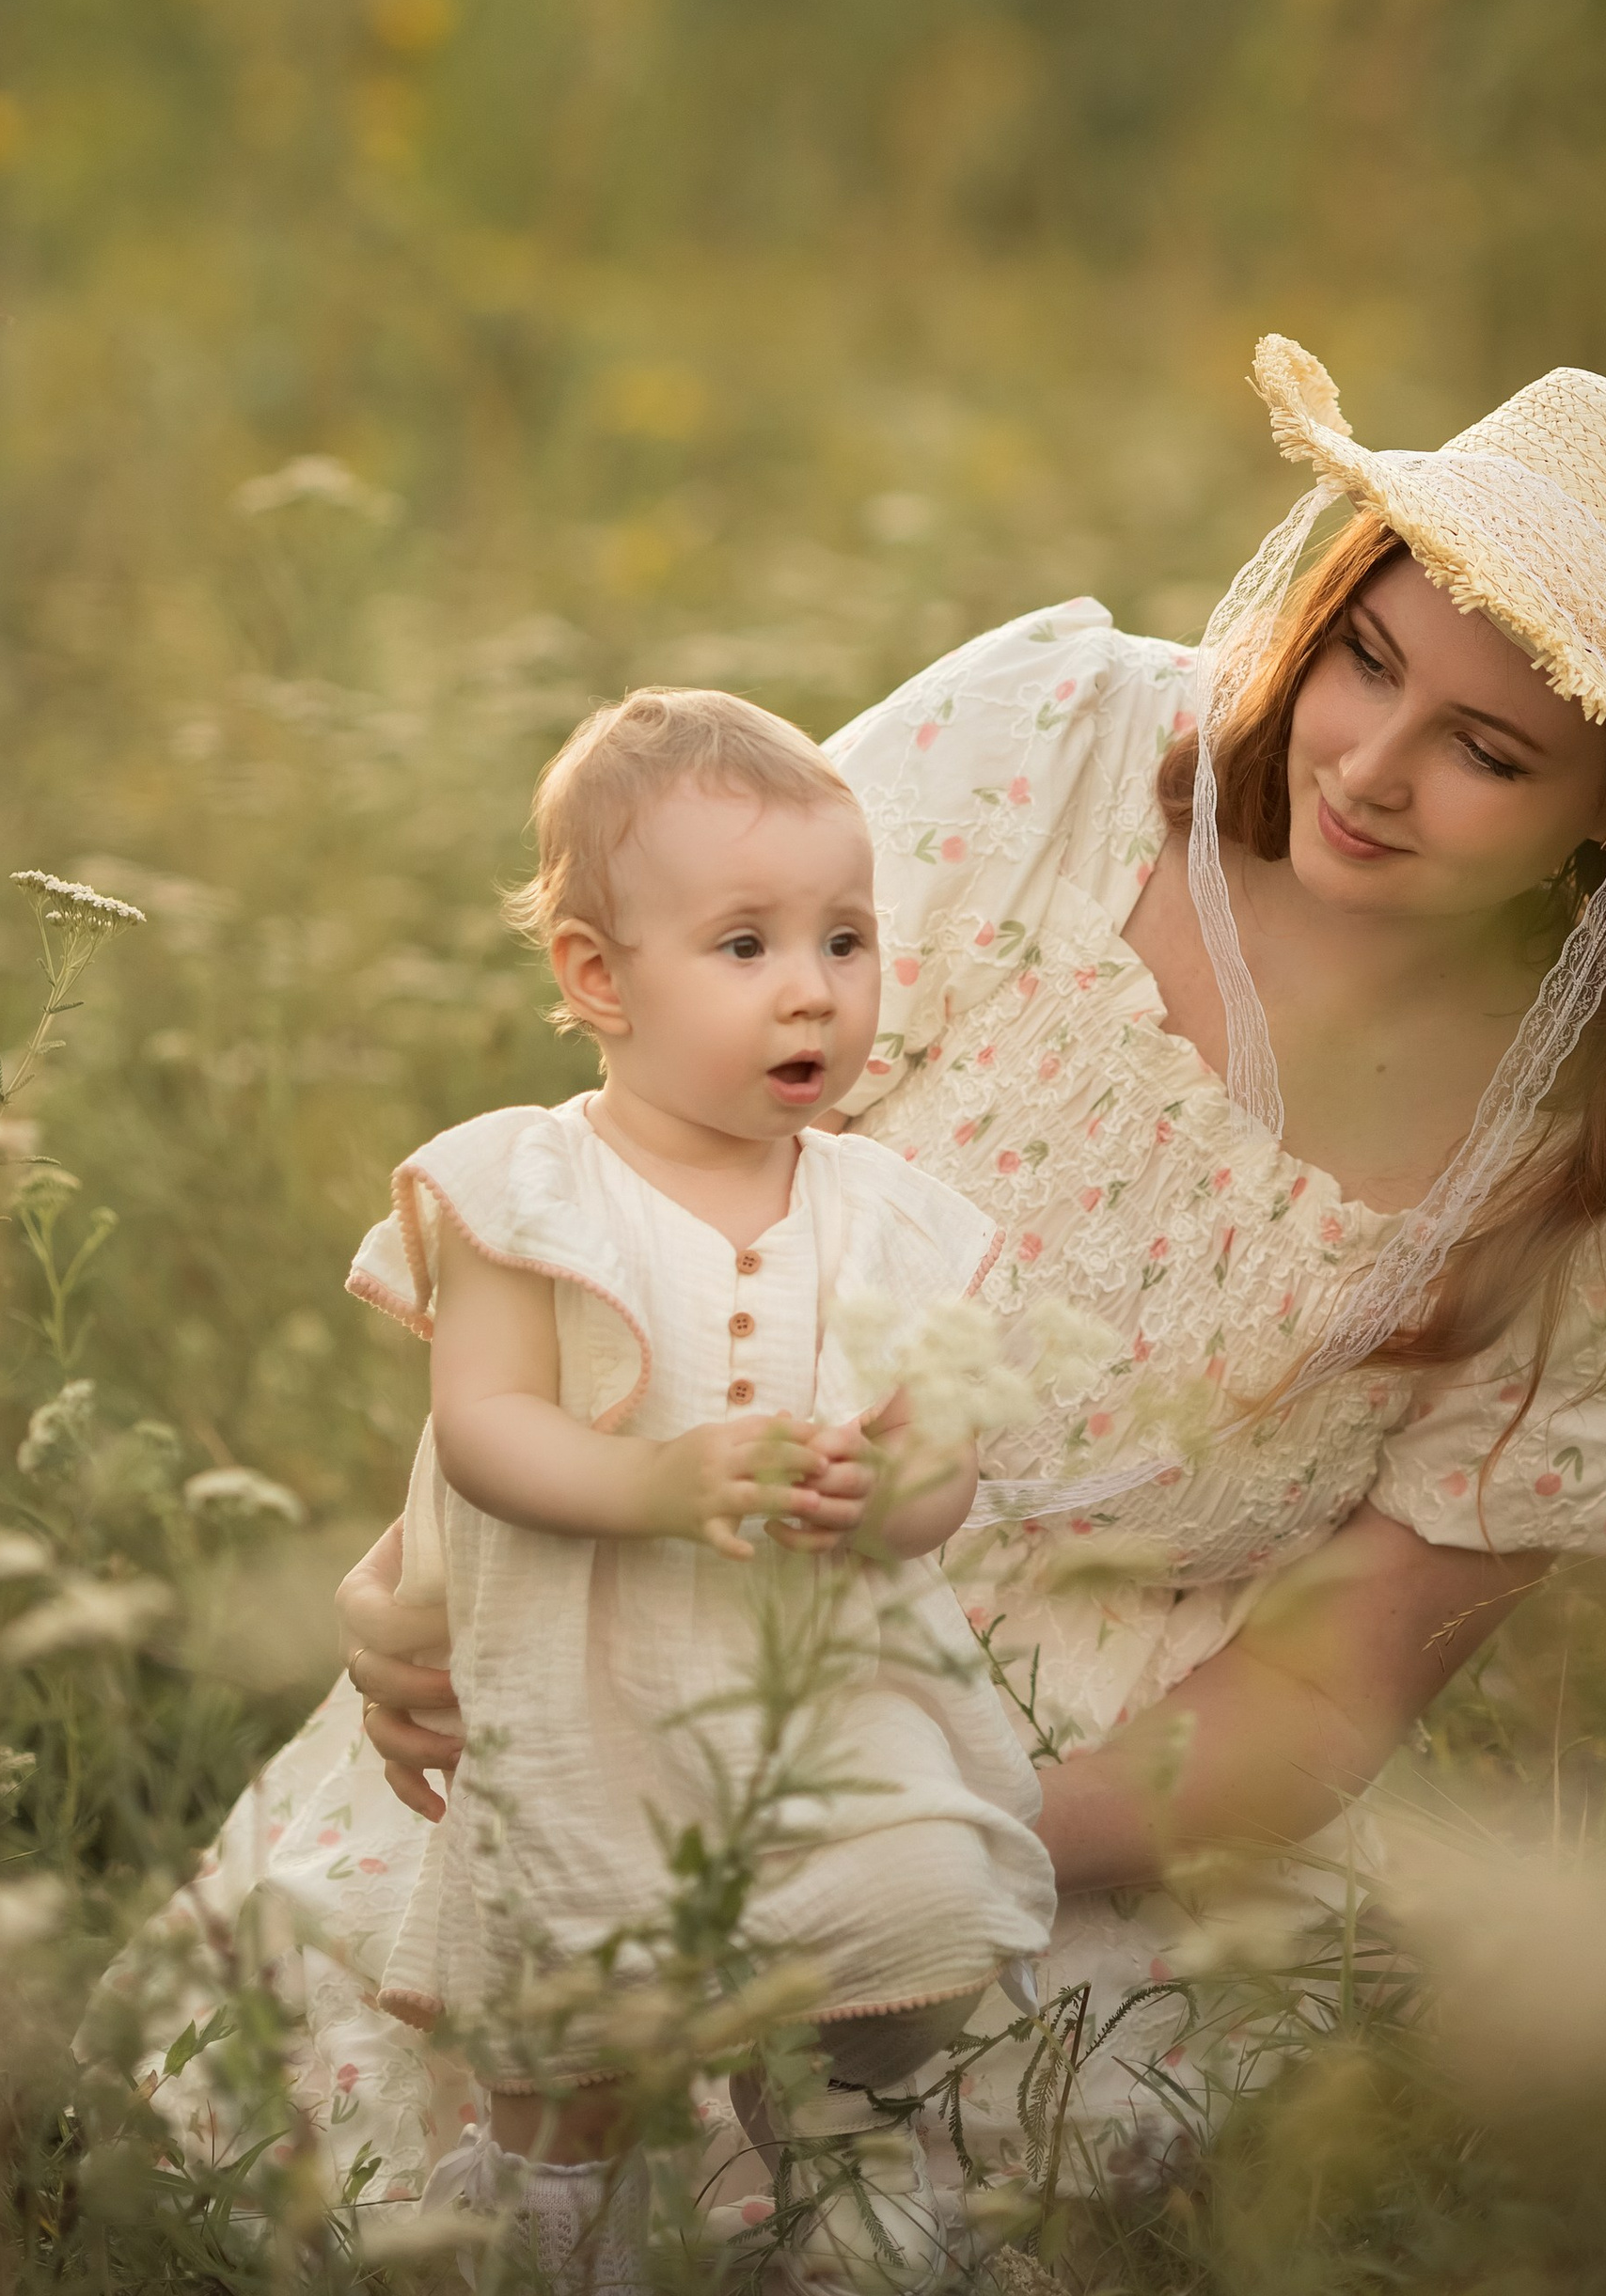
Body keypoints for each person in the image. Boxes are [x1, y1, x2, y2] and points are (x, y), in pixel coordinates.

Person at [121, 340, 1606, 2221]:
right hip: (670, 1589)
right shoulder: (1056, 747)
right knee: (390, 2109)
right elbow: (637, 1172)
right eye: (1364, 659)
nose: (1367, 766)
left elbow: (1327, 1693)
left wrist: (901, 1843)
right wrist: (442, 1575)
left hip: (1080, 1801)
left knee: (833, 2180)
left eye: (1486, 752)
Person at [332, 686, 1057, 2292]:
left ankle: (844, 2156)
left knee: (904, 1918)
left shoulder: (888, 1216)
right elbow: (487, 1429)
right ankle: (555, 2226)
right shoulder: (530, 1190)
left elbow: (939, 1463)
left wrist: (886, 1489)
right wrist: (655, 1479)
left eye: (847, 940)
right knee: (584, 2026)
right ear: (600, 977)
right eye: (747, 946)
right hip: (594, 1704)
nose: (814, 989)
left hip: (824, 1700)